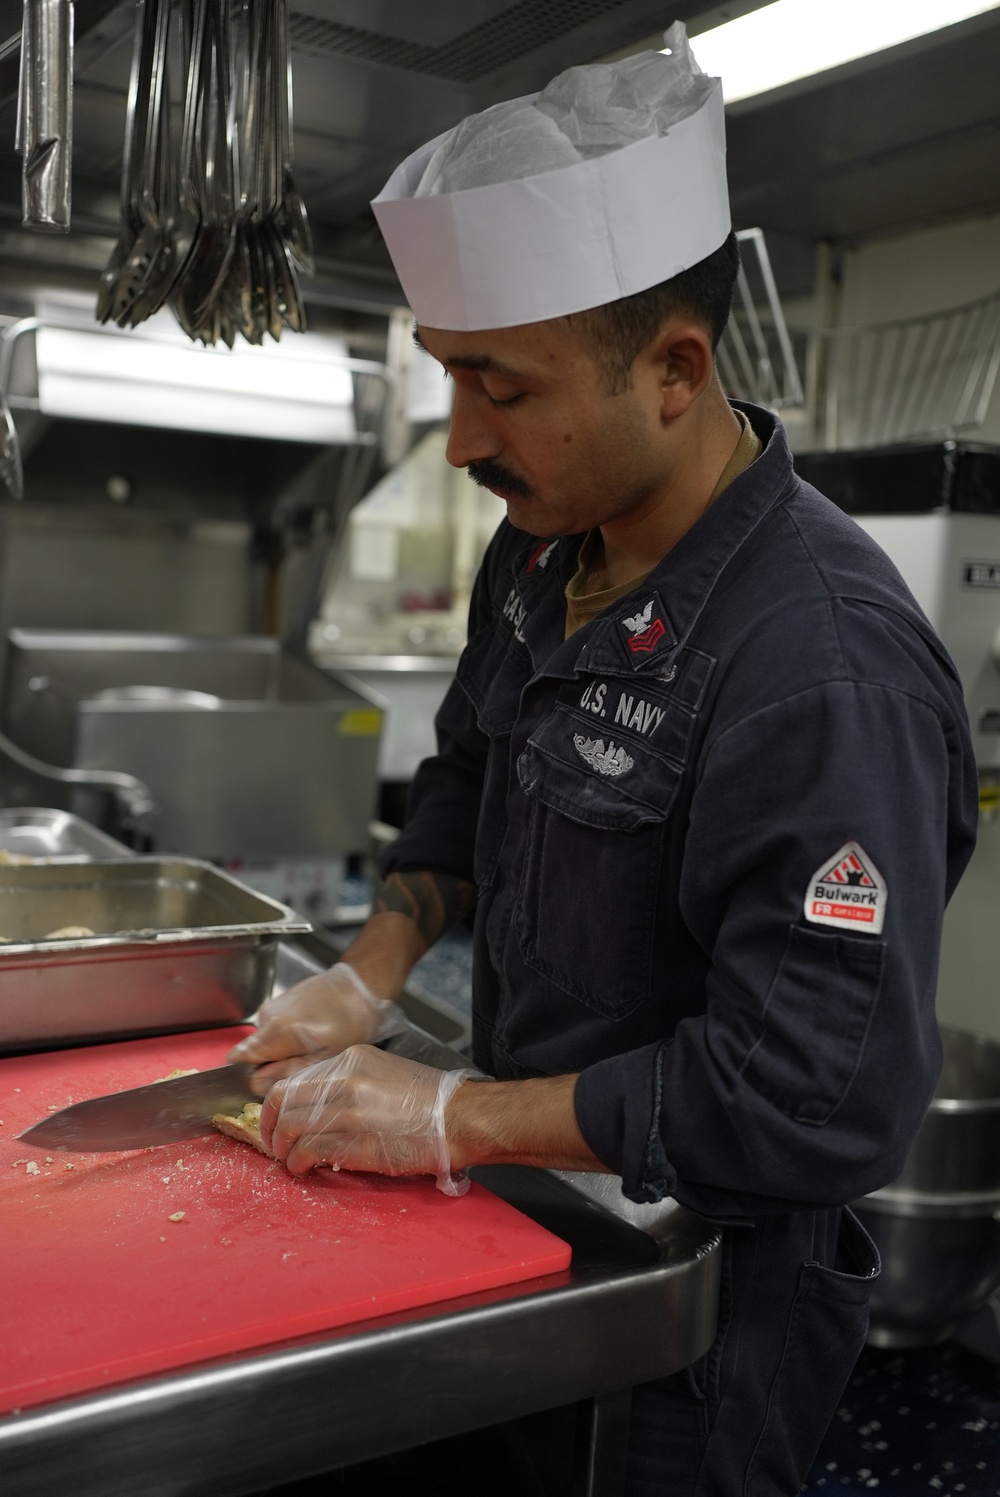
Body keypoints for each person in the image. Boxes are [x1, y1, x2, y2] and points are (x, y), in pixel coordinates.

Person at [229, 26, 978, 1495]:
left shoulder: (820, 672)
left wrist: (445, 1112)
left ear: (677, 370)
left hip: (695, 1318)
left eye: (501, 388)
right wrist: (373, 969)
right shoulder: (543, 550)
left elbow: (804, 1096)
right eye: (452, 379)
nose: (460, 440)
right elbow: (467, 775)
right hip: (530, 1219)